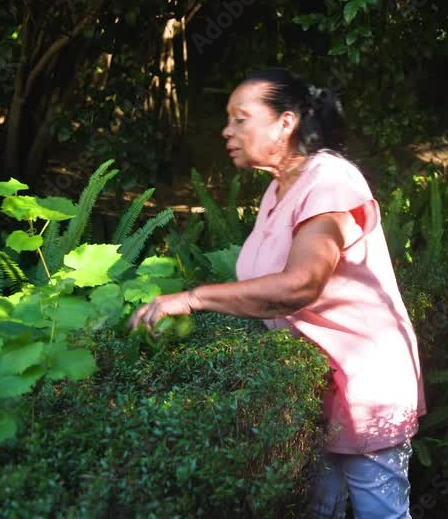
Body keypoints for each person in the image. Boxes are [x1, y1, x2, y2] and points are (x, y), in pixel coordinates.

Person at [128, 68, 425, 518]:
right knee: (317, 509)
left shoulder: (330, 180)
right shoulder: (278, 189)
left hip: (364, 381)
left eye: (240, 118)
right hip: (311, 382)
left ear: (286, 122)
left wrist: (193, 298)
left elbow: (301, 284)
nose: (226, 131)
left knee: (379, 512)